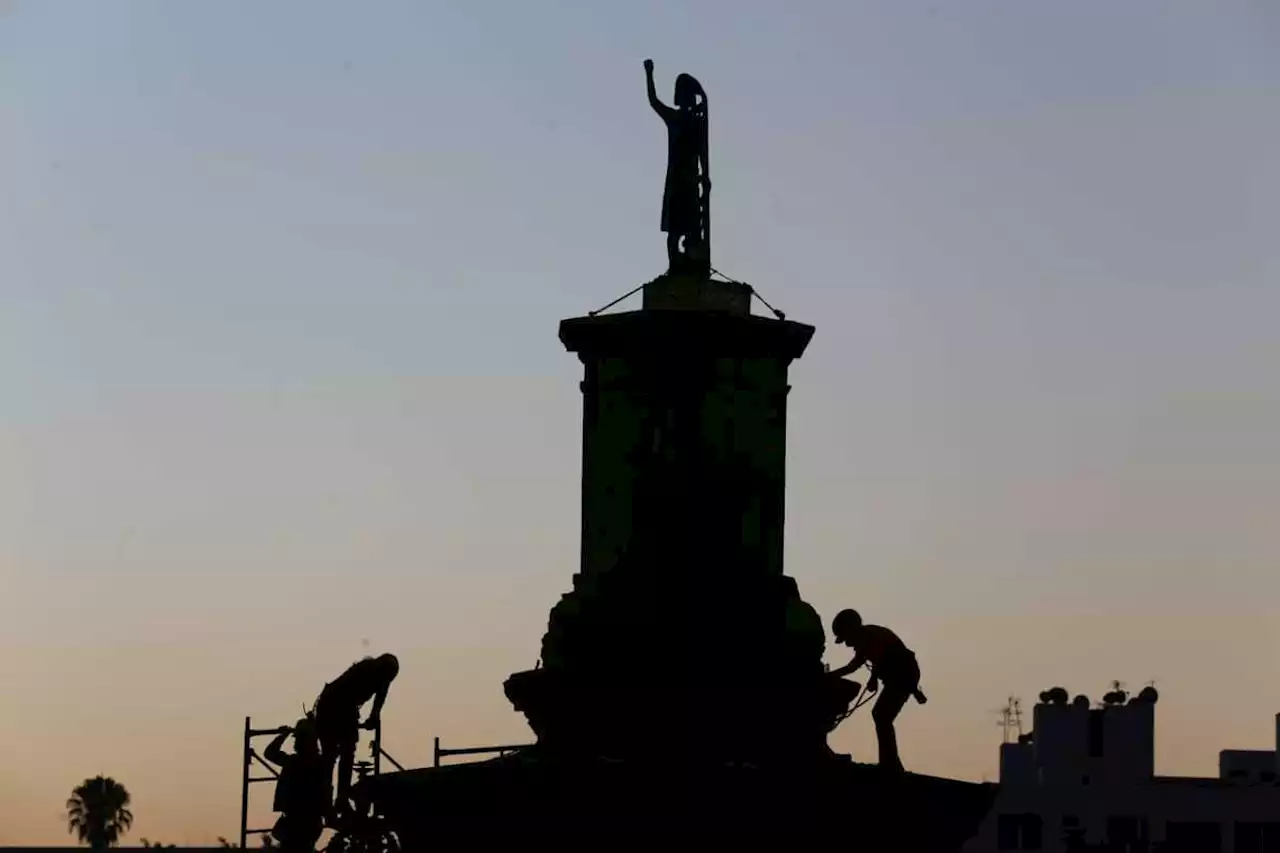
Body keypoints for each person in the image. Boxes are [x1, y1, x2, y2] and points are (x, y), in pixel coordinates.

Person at [828, 609, 927, 773]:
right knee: (882, 716)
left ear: (852, 629)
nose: (847, 644)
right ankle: (890, 763)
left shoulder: (870, 636)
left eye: (846, 638)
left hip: (903, 675)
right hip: (901, 676)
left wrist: (873, 679)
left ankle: (890, 765)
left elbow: (881, 657)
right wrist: (831, 675)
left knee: (881, 716)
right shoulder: (866, 639)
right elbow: (852, 667)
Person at [644, 58, 710, 274]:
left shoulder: (696, 121)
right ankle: (675, 265)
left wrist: (704, 179)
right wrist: (649, 74)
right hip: (679, 181)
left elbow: (702, 152)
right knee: (675, 230)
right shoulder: (676, 118)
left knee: (692, 228)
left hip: (690, 181)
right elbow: (654, 101)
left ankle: (690, 262)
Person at [313, 653, 400, 813]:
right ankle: (326, 799)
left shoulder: (382, 677)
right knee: (332, 755)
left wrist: (373, 717)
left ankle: (340, 798)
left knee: (345, 754)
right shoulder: (364, 671)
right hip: (331, 706)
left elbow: (379, 700)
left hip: (344, 708)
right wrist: (354, 722)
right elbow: (345, 697)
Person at [264, 717, 330, 853]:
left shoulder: (296, 763)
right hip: (309, 821)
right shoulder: (321, 763)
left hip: (299, 821)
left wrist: (282, 736)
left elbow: (270, 753)